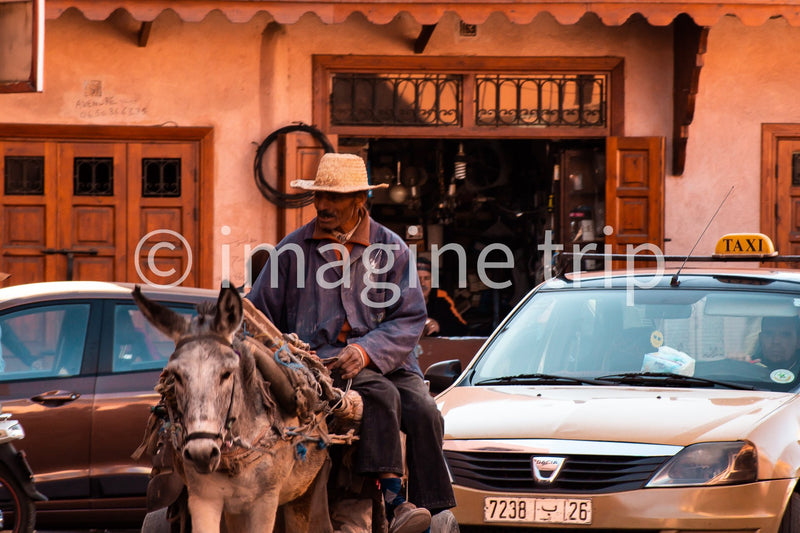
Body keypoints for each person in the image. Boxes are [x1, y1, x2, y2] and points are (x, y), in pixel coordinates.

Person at [247, 152, 455, 533]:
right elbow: (257, 314)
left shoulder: (391, 249)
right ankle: (395, 500)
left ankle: (431, 511)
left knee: (425, 410)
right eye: (319, 196)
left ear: (359, 200)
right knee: (381, 395)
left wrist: (365, 351)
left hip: (390, 362)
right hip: (320, 367)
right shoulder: (293, 250)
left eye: (334, 197)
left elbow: (409, 317)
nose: (323, 205)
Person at [417, 257, 469, 337]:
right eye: (418, 278)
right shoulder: (400, 300)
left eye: (426, 278)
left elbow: (463, 329)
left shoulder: (441, 297)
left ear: (432, 281)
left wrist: (439, 326)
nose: (422, 283)